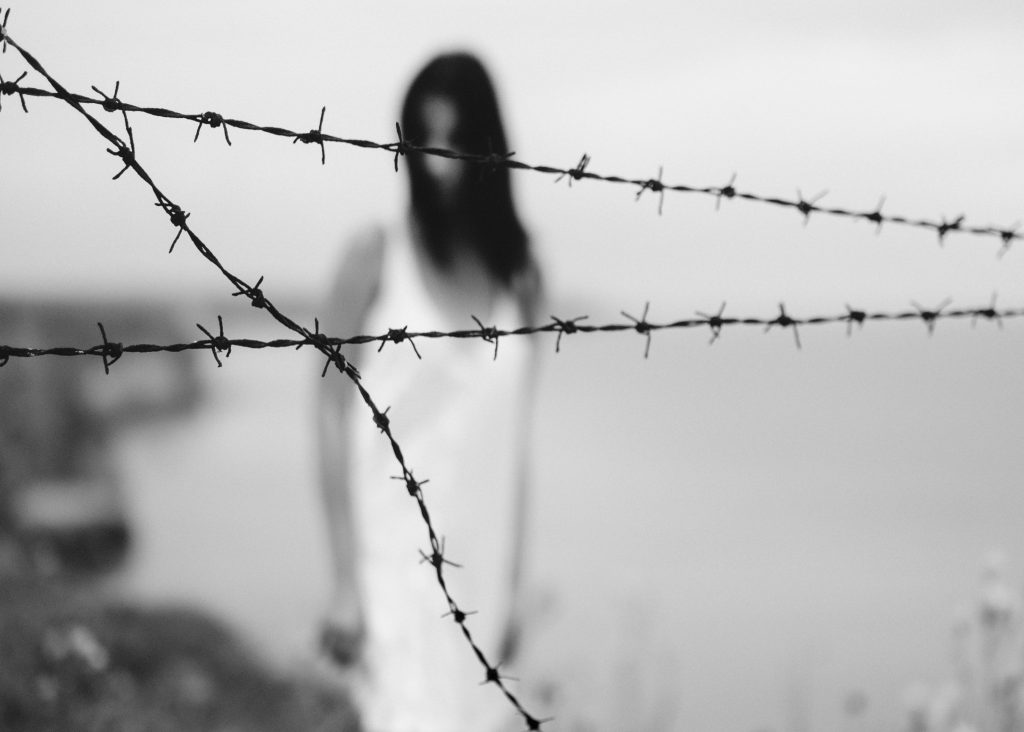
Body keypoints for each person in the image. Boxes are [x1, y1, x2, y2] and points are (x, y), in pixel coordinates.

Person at [316, 51, 543, 732]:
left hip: (482, 575)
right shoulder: (376, 255)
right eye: (421, 137)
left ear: (486, 145)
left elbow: (517, 445)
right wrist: (343, 580)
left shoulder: (521, 278)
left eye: (453, 139)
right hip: (394, 573)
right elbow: (328, 411)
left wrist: (515, 586)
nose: (435, 161)